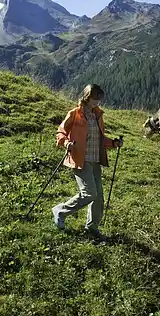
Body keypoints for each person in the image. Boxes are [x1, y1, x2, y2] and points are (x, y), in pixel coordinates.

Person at [51, 84, 123, 242]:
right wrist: (65, 142)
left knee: (98, 198)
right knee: (89, 193)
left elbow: (99, 139)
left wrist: (113, 143)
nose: (98, 101)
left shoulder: (97, 115)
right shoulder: (75, 114)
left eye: (99, 99)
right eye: (95, 98)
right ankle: (60, 211)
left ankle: (92, 227)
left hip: (95, 160)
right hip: (80, 159)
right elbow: (61, 132)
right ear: (87, 97)